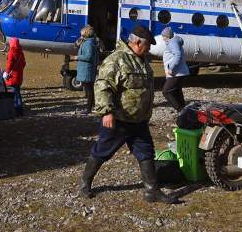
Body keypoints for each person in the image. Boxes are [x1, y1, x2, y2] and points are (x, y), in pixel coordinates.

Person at [78, 25, 178, 204]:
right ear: (137, 42)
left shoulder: (141, 60)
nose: (149, 49)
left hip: (138, 121)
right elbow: (102, 86)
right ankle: (85, 183)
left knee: (146, 152)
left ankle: (152, 191)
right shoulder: (117, 59)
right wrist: (106, 112)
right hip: (118, 120)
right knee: (102, 151)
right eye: (147, 45)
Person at [160, 27, 189, 111]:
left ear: (167, 36)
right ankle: (184, 110)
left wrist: (171, 68)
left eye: (164, 36)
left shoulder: (172, 42)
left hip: (176, 73)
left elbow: (178, 55)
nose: (163, 38)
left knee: (166, 91)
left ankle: (180, 109)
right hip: (180, 72)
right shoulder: (174, 42)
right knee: (177, 91)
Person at [76, 25, 99, 115]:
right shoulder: (88, 42)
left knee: (89, 89)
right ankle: (92, 106)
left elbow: (88, 56)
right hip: (86, 69)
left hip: (87, 69)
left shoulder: (88, 44)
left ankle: (89, 108)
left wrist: (77, 57)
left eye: (82, 32)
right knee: (89, 88)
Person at [3, 37, 26, 117]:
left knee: (14, 94)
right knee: (18, 93)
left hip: (12, 76)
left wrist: (7, 72)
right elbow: (24, 63)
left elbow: (9, 64)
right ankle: (20, 111)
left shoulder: (11, 52)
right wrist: (19, 69)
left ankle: (17, 110)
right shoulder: (21, 51)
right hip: (19, 75)